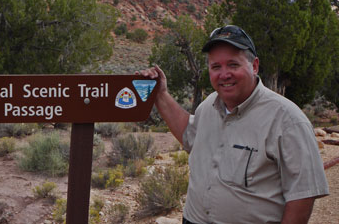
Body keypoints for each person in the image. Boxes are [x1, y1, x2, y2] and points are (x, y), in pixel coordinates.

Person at [140, 25, 328, 224]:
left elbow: (302, 195)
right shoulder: (209, 106)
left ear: (254, 66)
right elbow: (189, 134)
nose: (224, 74)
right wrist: (160, 94)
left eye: (233, 65)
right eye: (216, 67)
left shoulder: (287, 120)